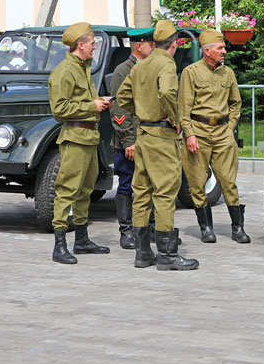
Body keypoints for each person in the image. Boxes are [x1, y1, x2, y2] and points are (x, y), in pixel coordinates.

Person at [117, 19, 199, 271]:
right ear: (174, 44)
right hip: (162, 138)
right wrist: (173, 118)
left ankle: (143, 254)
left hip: (143, 135)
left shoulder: (142, 65)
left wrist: (142, 112)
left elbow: (122, 97)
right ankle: (167, 255)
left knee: (141, 193)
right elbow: (166, 93)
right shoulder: (165, 63)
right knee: (164, 194)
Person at [48, 21, 113, 264]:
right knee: (67, 190)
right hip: (74, 138)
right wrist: (91, 106)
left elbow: (85, 100)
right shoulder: (64, 71)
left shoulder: (84, 67)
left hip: (88, 137)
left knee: (86, 190)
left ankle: (82, 239)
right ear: (81, 44)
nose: (95, 47)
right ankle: (59, 244)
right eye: (93, 43)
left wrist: (102, 102)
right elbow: (59, 109)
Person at [178, 29, 249, 243]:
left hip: (222, 132)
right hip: (197, 132)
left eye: (224, 47)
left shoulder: (228, 73)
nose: (224, 51)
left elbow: (236, 103)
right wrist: (189, 134)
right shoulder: (191, 72)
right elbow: (183, 108)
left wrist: (230, 128)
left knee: (228, 181)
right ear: (207, 51)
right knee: (197, 182)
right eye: (220, 48)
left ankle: (237, 229)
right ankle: (206, 228)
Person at [109, 28, 155, 249]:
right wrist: (128, 140)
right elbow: (118, 110)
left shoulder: (150, 68)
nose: (154, 48)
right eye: (151, 45)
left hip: (148, 138)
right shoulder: (123, 70)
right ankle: (126, 231)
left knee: (151, 184)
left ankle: (150, 227)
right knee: (127, 184)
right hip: (130, 140)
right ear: (139, 46)